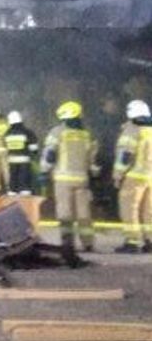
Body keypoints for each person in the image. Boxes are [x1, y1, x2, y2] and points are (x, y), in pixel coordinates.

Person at [39, 99, 99, 261]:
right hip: (82, 179)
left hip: (63, 179)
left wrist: (44, 171)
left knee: (65, 213)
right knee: (84, 213)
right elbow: (92, 159)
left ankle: (68, 243)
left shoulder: (57, 132)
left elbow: (50, 154)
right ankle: (88, 243)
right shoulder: (87, 134)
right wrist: (93, 174)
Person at [112, 98, 152, 253]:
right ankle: (150, 241)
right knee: (149, 210)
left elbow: (125, 156)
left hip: (134, 176)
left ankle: (133, 242)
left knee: (130, 208)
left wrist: (118, 176)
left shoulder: (132, 130)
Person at [3, 110, 39, 195]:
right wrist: (34, 153)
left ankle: (12, 190)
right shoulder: (27, 131)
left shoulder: (7, 133)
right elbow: (33, 146)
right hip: (24, 159)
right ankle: (24, 189)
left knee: (13, 176)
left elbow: (5, 145)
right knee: (24, 175)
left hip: (12, 160)